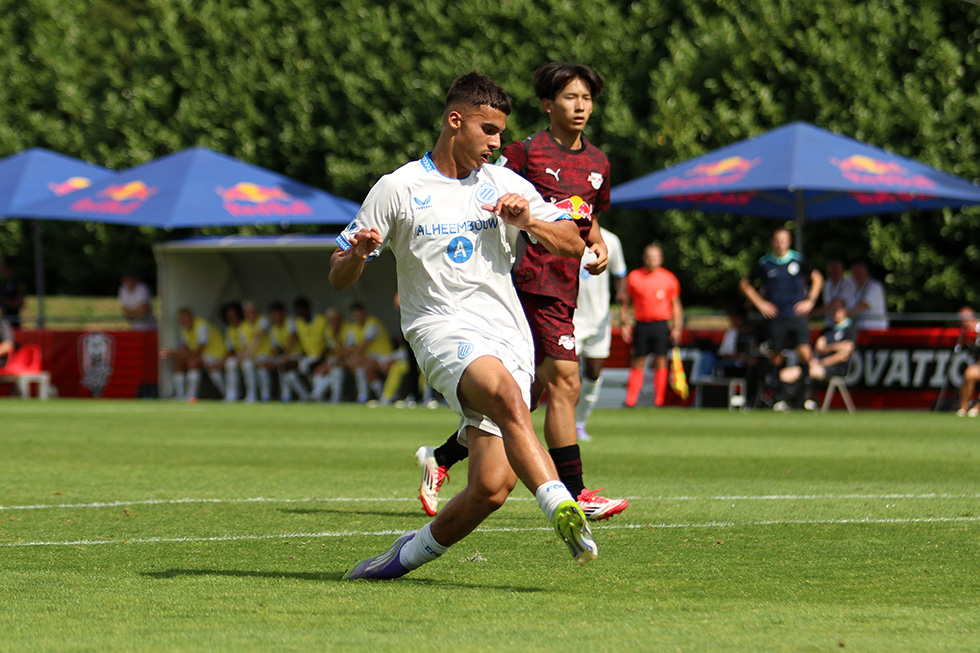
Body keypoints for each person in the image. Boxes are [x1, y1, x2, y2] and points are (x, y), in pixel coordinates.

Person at [330, 72, 596, 580]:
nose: (496, 143)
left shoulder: (504, 184)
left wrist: (528, 221)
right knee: (507, 396)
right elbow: (338, 273)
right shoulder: (398, 187)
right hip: (439, 328)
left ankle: (400, 558)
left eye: (500, 133)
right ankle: (562, 504)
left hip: (508, 334)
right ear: (455, 121)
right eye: (487, 130)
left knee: (490, 489)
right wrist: (359, 255)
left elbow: (573, 244)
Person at [416, 61, 628, 523]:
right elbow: (481, 188)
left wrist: (596, 245)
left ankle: (442, 457)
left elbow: (587, 217)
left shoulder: (598, 162)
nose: (580, 106)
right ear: (548, 105)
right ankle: (575, 493)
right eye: (570, 97)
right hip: (525, 283)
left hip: (565, 286)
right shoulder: (523, 152)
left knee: (521, 399)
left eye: (587, 98)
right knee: (566, 382)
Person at [739, 227, 823, 410]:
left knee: (805, 353)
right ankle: (780, 397)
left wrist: (810, 300)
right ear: (772, 242)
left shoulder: (798, 260)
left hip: (796, 314)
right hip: (776, 316)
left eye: (783, 240)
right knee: (776, 355)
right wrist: (760, 304)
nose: (780, 244)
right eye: (777, 240)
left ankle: (805, 396)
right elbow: (745, 284)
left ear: (789, 242)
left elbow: (817, 278)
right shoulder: (765, 263)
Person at [572, 226, 627, 441]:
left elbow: (620, 273)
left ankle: (580, 423)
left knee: (593, 374)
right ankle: (565, 422)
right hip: (571, 320)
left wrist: (621, 295)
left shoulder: (611, 240)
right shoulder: (566, 233)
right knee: (568, 377)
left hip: (599, 321)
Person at [620, 242, 684, 408]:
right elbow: (626, 302)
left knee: (661, 360)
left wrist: (677, 327)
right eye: (649, 257)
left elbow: (676, 304)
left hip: (661, 325)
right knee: (638, 360)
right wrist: (624, 323)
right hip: (642, 324)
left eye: (655, 257)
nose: (651, 260)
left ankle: (659, 401)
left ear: (661, 259)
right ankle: (631, 400)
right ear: (644, 258)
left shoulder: (669, 278)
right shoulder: (634, 277)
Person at [775, 299, 856, 410]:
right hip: (816, 364)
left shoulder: (850, 329)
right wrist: (836, 347)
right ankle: (784, 401)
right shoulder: (827, 330)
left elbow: (843, 355)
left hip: (835, 368)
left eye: (838, 309)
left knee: (807, 372)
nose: (835, 312)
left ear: (844, 310)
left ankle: (804, 399)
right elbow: (819, 347)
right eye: (833, 309)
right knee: (785, 374)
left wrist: (822, 360)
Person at [160, 307, 228, 402]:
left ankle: (191, 396)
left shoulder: (201, 326)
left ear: (192, 317)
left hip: (215, 355)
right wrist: (175, 354)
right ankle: (180, 395)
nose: (184, 321)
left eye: (186, 317)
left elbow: (198, 352)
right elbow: (184, 348)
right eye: (181, 319)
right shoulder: (183, 329)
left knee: (192, 363)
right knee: (178, 363)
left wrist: (175, 353)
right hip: (201, 356)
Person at [340, 302, 395, 404]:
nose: (358, 317)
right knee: (360, 368)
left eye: (360, 314)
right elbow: (348, 347)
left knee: (362, 364)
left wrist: (352, 359)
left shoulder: (372, 323)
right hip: (371, 357)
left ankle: (389, 396)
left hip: (385, 356)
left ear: (365, 313)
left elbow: (363, 346)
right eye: (356, 315)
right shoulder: (353, 327)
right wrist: (349, 358)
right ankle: (367, 396)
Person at [268, 300, 309, 402]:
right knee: (287, 373)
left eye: (277, 314)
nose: (275, 317)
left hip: (299, 355)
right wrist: (273, 359)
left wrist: (285, 356)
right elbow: (276, 347)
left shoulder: (290, 322)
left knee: (284, 367)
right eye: (273, 315)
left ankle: (302, 395)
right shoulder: (274, 328)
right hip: (286, 356)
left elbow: (292, 338)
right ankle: (288, 396)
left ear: (282, 313)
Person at [237, 300, 274, 403]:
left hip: (267, 354)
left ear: (256, 311)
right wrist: (241, 356)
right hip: (252, 356)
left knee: (262, 368)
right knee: (246, 364)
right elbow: (244, 345)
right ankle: (251, 395)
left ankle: (266, 396)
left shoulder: (263, 320)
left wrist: (248, 354)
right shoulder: (242, 326)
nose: (249, 314)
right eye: (246, 312)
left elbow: (258, 337)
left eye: (251, 311)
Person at [811, 259, 857, 327]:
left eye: (836, 270)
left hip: (846, 322)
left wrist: (812, 313)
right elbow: (827, 304)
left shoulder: (848, 284)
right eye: (831, 270)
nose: (833, 273)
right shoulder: (827, 284)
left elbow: (838, 304)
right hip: (830, 321)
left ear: (842, 271)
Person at [849, 261, 889, 331]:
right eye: (855, 274)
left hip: (876, 328)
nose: (857, 277)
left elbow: (864, 305)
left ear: (866, 273)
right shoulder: (854, 287)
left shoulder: (875, 286)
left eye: (859, 273)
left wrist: (844, 314)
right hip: (860, 328)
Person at [955, 306, 980, 417]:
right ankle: (963, 408)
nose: (962, 324)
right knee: (969, 373)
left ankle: (977, 407)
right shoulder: (971, 333)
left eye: (964, 321)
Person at [0, 259, 26, 328]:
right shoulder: (6, 283)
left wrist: (5, 302)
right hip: (4, 319)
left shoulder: (18, 282)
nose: (1, 269)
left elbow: (20, 302)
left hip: (12, 320)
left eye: (3, 266)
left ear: (9, 267)